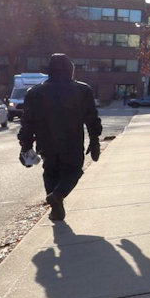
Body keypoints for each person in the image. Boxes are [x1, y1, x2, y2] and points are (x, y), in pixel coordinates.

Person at [18, 53, 102, 222]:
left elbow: (27, 122)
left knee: (50, 172)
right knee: (73, 170)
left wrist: (26, 145)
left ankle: (56, 205)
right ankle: (58, 195)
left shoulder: (34, 92)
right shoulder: (82, 90)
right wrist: (94, 139)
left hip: (46, 141)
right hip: (72, 139)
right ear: (70, 69)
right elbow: (91, 117)